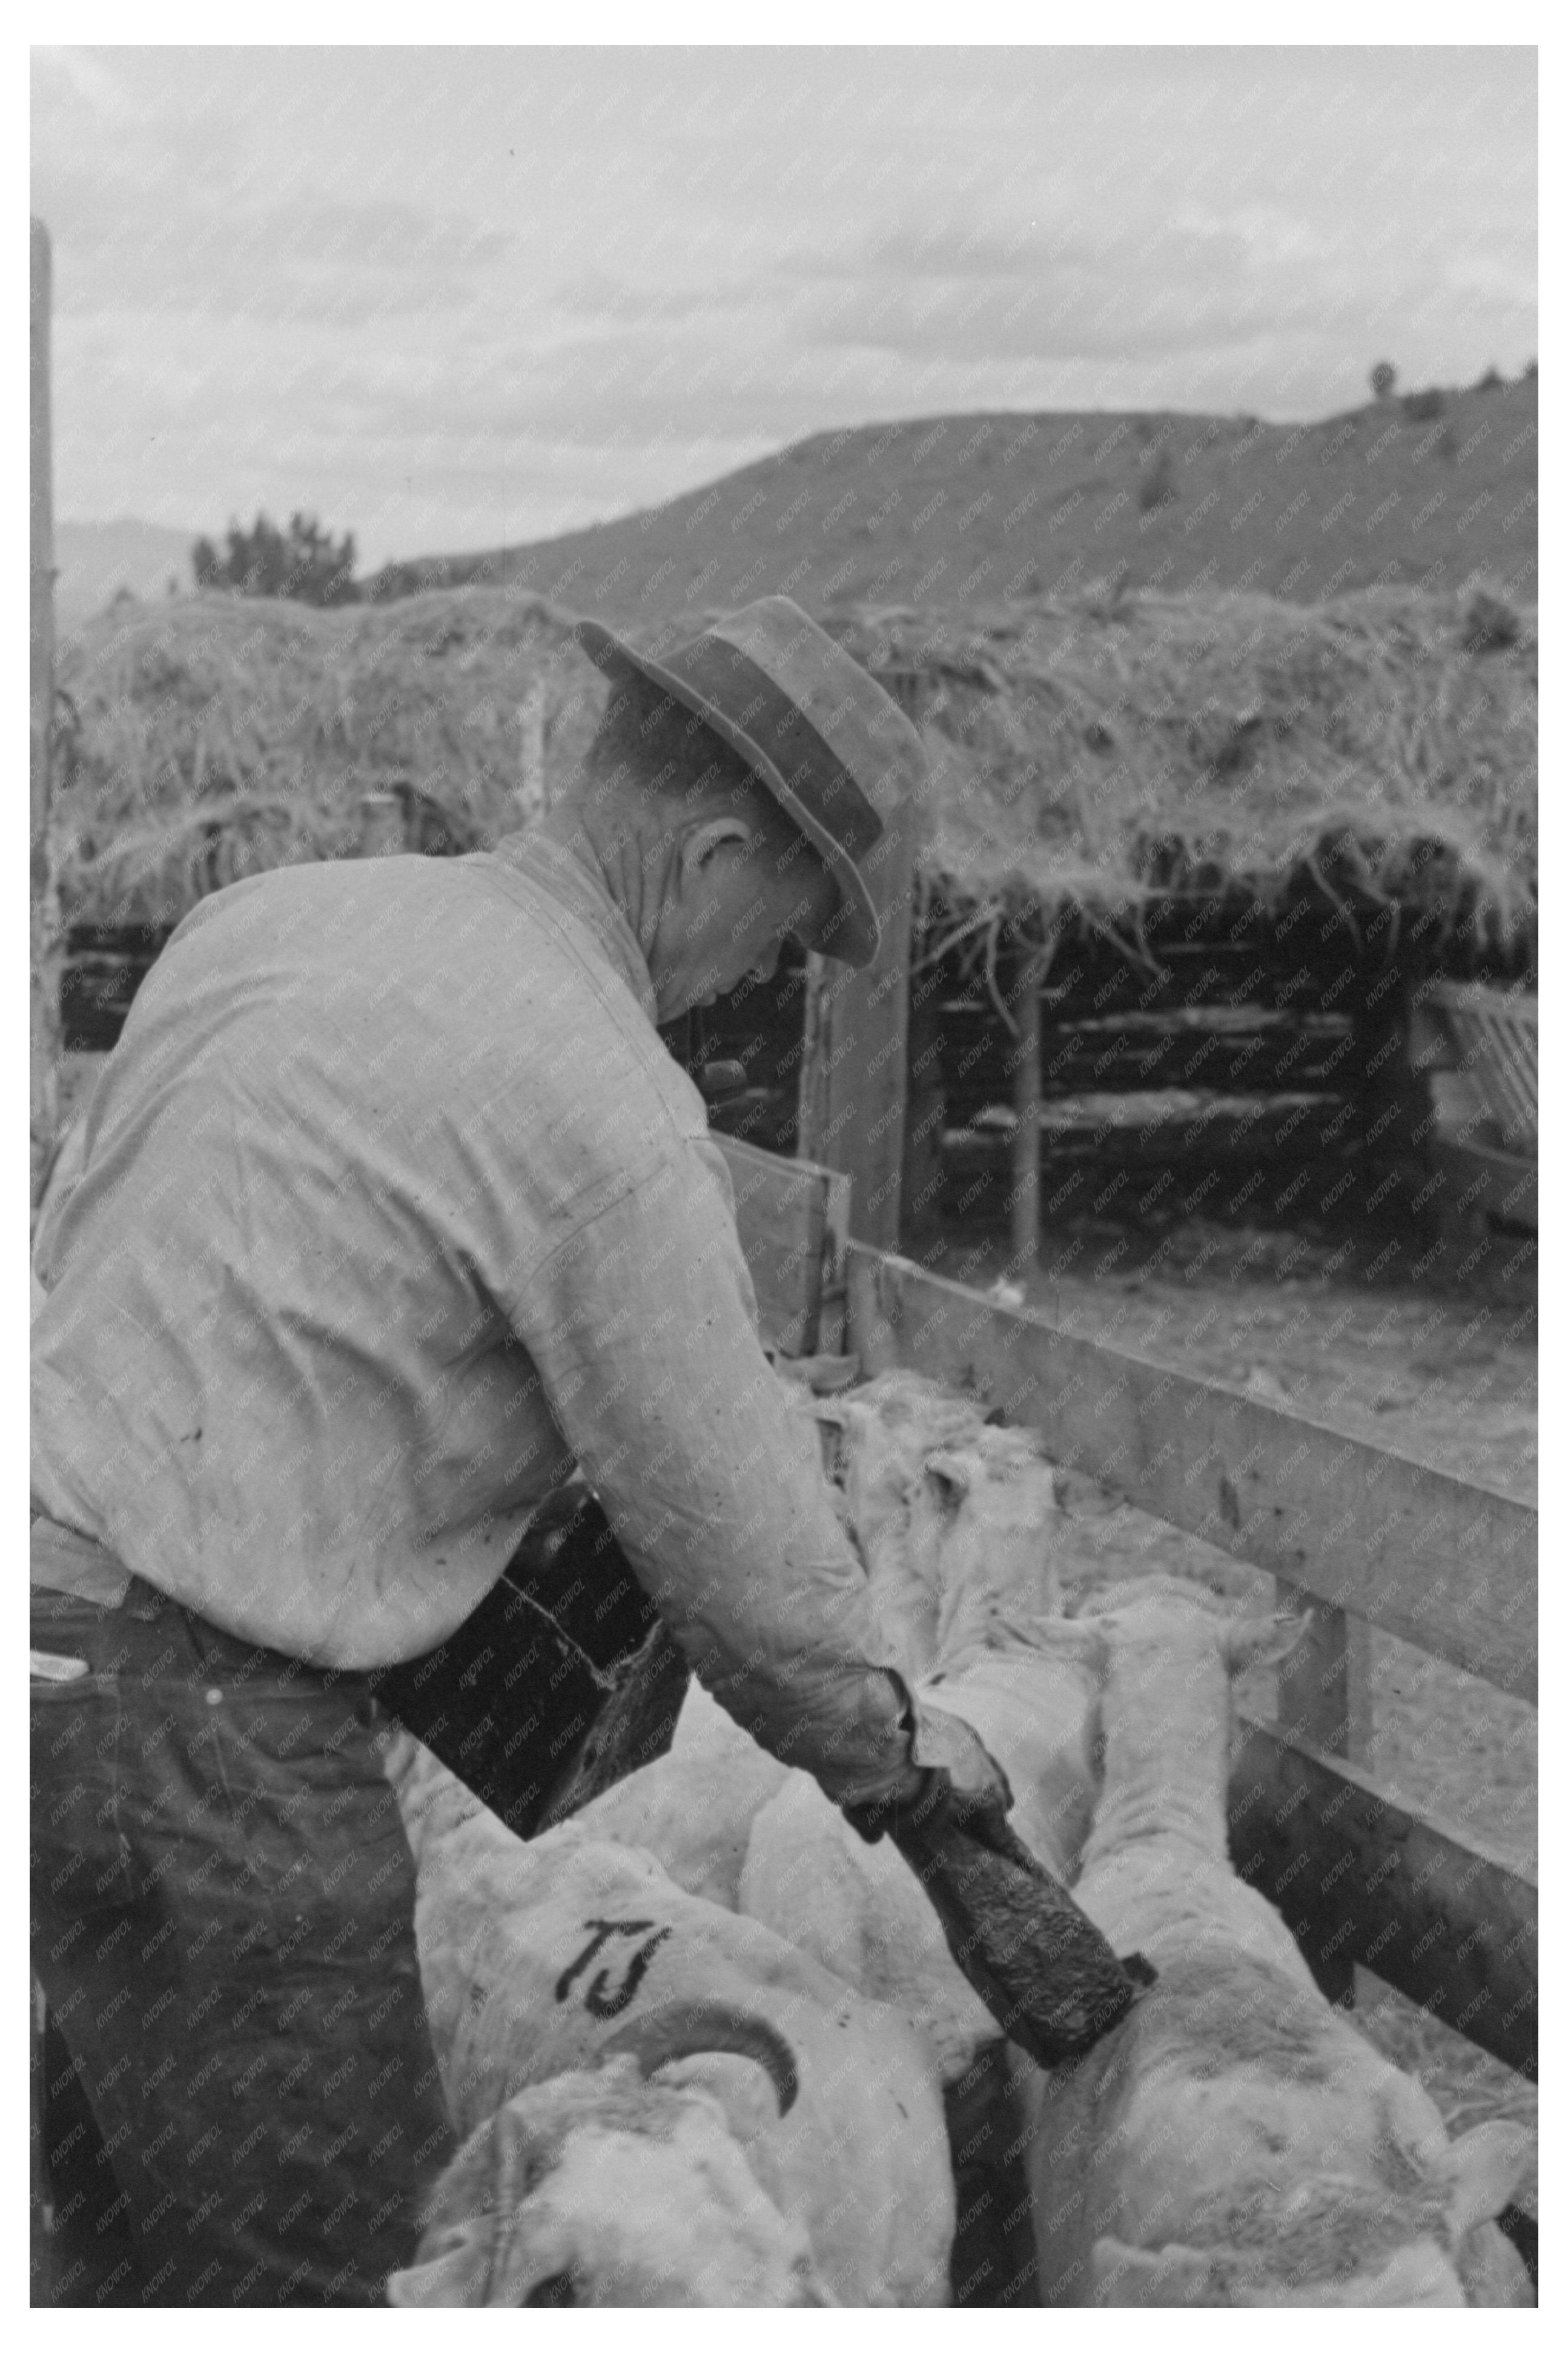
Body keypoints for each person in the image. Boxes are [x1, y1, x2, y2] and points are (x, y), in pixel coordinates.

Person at [30, 594, 1010, 2307]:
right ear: (711, 854)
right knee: (331, 2274)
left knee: (108, 2242)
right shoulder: (608, 1112)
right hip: (212, 1743)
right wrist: (903, 1759)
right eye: (782, 934)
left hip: (46, 1646)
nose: (759, 978)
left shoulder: (268, 917)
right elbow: (755, 1577)